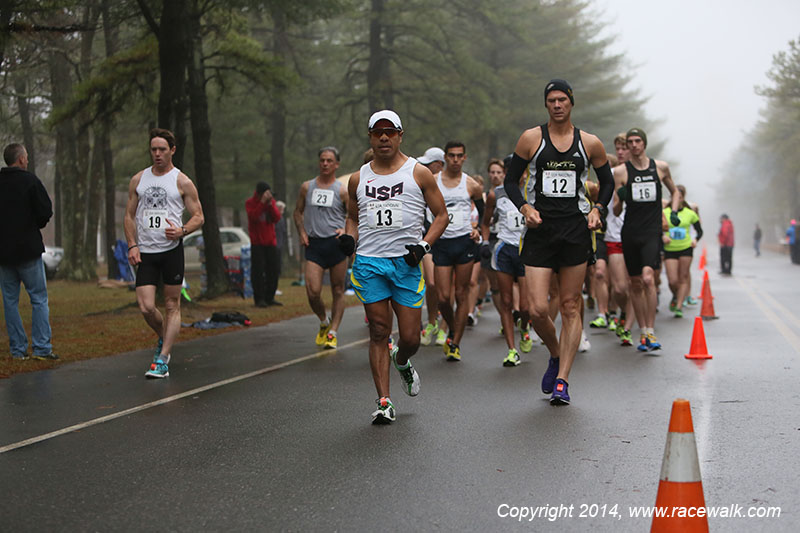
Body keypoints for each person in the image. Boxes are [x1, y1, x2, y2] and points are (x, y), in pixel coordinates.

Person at [503, 79, 614, 405]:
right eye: (551, 100)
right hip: (540, 231)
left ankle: (563, 379)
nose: (557, 105)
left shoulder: (589, 143)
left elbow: (606, 183)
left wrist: (598, 209)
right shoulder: (531, 139)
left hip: (575, 231)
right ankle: (554, 353)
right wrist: (524, 207)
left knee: (569, 305)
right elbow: (511, 181)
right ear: (546, 104)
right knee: (536, 309)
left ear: (571, 103)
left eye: (562, 99)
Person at [339, 109, 448, 424]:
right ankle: (384, 401)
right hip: (370, 264)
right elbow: (352, 216)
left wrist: (423, 246)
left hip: (406, 263)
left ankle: (403, 362)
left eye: (390, 132)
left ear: (401, 135)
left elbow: (441, 216)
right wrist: (349, 237)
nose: (384, 138)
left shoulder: (419, 172)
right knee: (379, 331)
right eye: (377, 132)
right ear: (370, 136)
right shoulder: (359, 178)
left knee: (411, 338)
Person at [124, 128, 204, 378]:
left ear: (172, 150)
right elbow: (128, 215)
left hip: (171, 251)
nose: (157, 154)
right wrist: (132, 244)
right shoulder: (139, 180)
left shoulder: (182, 181)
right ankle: (164, 336)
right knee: (146, 306)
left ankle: (163, 359)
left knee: (172, 304)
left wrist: (181, 230)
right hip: (145, 252)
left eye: (162, 149)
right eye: (153, 149)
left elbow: (199, 217)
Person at [613, 127, 680, 353]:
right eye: (630, 141)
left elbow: (675, 192)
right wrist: (621, 200)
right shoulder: (621, 172)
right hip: (631, 232)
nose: (633, 145)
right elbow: (614, 210)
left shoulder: (659, 167)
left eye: (637, 141)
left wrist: (674, 212)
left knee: (649, 278)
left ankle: (651, 329)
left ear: (644, 143)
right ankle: (642, 331)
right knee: (635, 283)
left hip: (652, 231)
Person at [0, 143, 57, 361]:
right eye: (26, 157)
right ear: (21, 159)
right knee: (39, 298)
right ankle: (42, 347)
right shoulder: (30, 181)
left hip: (3, 254)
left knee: (10, 302)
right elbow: (45, 211)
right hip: (28, 249)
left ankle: (17, 349)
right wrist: (34, 224)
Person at [432, 141, 485, 362]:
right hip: (442, 242)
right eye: (451, 155)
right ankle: (453, 327)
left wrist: (478, 229)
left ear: (464, 158)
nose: (455, 159)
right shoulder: (433, 182)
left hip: (464, 242)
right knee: (443, 297)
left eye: (459, 156)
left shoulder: (472, 185)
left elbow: (483, 213)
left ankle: (455, 342)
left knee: (461, 294)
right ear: (445, 157)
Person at [293, 146, 349, 349]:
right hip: (314, 244)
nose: (325, 164)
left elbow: (353, 215)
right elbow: (297, 212)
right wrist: (301, 231)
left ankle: (333, 332)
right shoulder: (307, 187)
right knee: (313, 291)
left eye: (329, 161)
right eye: (322, 160)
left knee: (338, 289)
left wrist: (345, 229)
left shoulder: (341, 190)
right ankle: (323, 321)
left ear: (336, 165)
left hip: (335, 244)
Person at [483, 158, 531, 366]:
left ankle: (525, 326)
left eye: (522, 171)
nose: (519, 174)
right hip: (504, 250)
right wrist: (485, 241)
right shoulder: (496, 194)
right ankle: (512, 349)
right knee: (506, 302)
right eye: (513, 171)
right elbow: (486, 222)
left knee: (527, 306)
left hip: (528, 251)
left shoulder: (534, 191)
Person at [417, 146, 448, 346]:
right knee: (432, 283)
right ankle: (431, 322)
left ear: (439, 164)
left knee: (447, 289)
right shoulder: (422, 181)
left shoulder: (455, 182)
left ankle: (445, 327)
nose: (425, 167)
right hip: (429, 236)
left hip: (451, 240)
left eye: (429, 164)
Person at [662, 186, 703, 318]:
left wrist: (695, 240)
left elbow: (699, 231)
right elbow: (657, 228)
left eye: (679, 197)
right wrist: (663, 236)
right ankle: (675, 295)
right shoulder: (665, 212)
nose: (676, 199)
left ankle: (679, 306)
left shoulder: (690, 213)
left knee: (683, 277)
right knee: (672, 281)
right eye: (674, 196)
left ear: (683, 198)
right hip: (670, 249)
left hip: (686, 248)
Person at [246, 181, 282, 307]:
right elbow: (253, 217)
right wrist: (261, 203)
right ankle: (259, 298)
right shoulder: (250, 203)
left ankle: (270, 297)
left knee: (273, 270)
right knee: (258, 271)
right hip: (257, 243)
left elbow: (277, 218)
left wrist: (270, 205)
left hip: (270, 241)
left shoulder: (270, 203)